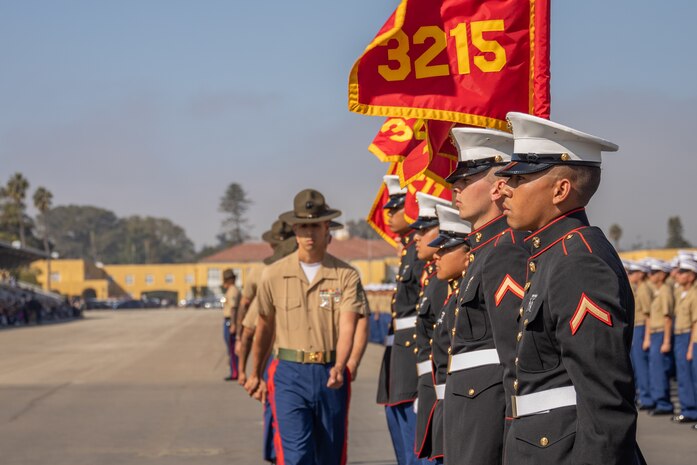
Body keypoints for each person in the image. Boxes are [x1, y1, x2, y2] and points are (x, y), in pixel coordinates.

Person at [497, 112, 644, 464]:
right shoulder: (552, 255)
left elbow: (604, 399)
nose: (504, 189)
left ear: (561, 190)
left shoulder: (578, 262)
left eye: (519, 179)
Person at [246, 189, 368, 465]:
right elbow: (264, 327)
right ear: (294, 230)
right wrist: (255, 373)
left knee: (330, 454)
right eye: (303, 227)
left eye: (315, 225)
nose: (309, 234)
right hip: (289, 373)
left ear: (327, 228)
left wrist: (342, 365)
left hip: (329, 372)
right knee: (296, 455)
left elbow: (348, 324)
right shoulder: (273, 275)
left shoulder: (345, 275)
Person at [441, 127, 527, 465]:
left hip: (489, 407)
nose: (455, 188)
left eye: (467, 178)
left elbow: (515, 353)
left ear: (498, 187)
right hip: (470, 401)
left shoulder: (505, 251)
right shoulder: (483, 252)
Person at [376, 175, 429, 465]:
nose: (388, 213)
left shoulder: (419, 253)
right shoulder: (409, 251)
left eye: (395, 207)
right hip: (400, 352)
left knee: (415, 447)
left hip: (411, 352)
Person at [409, 192, 451, 461]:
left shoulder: (440, 285)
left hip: (440, 392)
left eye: (425, 230)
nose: (416, 237)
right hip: (429, 388)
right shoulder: (433, 281)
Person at [427, 204, 471, 463]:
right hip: (448, 406)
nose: (436, 255)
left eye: (445, 249)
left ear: (467, 254)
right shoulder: (453, 296)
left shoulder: (464, 296)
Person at [644, 259, 676, 417]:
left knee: (660, 370)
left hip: (662, 333)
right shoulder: (658, 290)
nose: (650, 275)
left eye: (655, 272)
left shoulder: (665, 290)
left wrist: (666, 341)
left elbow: (667, 318)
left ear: (663, 274)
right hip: (655, 333)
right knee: (654, 370)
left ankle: (664, 403)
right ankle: (659, 401)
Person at [626, 260, 653, 410]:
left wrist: (647, 337)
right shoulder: (638, 288)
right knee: (637, 366)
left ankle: (647, 398)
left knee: (642, 366)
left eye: (633, 273)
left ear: (641, 274)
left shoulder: (643, 289)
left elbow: (649, 315)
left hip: (642, 328)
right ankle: (642, 396)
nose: (630, 275)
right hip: (638, 327)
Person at [674, 256, 697, 425]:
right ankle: (689, 410)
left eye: (683, 272)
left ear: (692, 275)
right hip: (680, 335)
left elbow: (695, 322)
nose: (678, 275)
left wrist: (690, 346)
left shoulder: (694, 294)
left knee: (694, 377)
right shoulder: (682, 292)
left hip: (690, 336)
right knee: (684, 375)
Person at [222, 268, 241, 381]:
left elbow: (233, 309)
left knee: (233, 349)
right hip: (229, 321)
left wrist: (233, 324)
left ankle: (235, 372)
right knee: (231, 348)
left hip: (230, 322)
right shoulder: (230, 290)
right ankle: (234, 371)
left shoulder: (233, 290)